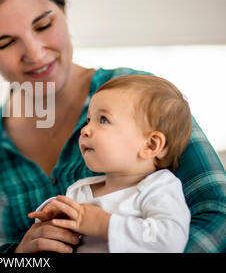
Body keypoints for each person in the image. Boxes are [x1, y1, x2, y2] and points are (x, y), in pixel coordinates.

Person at [0, 0, 226, 253]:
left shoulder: (142, 97)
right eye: (6, 43)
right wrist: (17, 257)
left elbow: (218, 212)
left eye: (44, 24)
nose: (35, 53)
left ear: (63, 10)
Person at [28, 75, 192, 252]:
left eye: (103, 120)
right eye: (89, 120)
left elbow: (170, 241)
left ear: (150, 145)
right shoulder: (79, 190)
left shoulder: (159, 188)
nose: (84, 130)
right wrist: (54, 215)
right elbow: (52, 240)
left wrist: (103, 224)